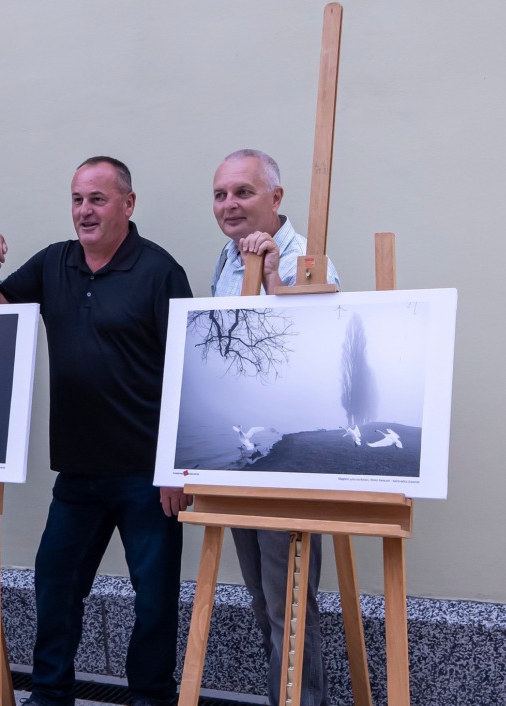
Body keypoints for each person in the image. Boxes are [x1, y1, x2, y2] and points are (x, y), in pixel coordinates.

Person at [0, 157, 193, 706]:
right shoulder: (53, 263)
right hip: (77, 473)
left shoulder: (161, 271)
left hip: (146, 474)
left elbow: (190, 372)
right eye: (77, 199)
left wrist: (178, 467)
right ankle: (49, 695)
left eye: (97, 199)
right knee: (56, 585)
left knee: (155, 600)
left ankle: (151, 698)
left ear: (128, 204)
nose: (84, 211)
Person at [210, 149, 340, 706]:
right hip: (240, 458)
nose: (229, 204)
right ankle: (280, 696)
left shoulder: (310, 260)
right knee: (262, 598)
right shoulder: (224, 256)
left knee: (288, 599)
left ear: (277, 198)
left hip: (289, 460)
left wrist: (270, 278)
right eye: (220, 194)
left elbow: (311, 351)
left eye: (243, 192)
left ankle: (302, 701)